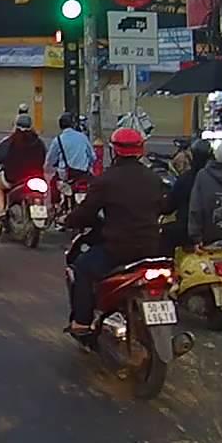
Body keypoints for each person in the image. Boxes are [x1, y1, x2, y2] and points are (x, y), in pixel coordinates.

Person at [64, 128, 166, 336]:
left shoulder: (106, 180)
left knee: (82, 267)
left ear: (114, 150)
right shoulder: (154, 179)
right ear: (141, 150)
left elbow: (86, 212)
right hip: (151, 247)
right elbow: (163, 207)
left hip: (118, 249)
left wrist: (68, 220)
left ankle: (82, 322)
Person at [0, 113, 47, 218]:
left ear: (16, 126)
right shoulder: (39, 142)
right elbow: (44, 157)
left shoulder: (11, 140)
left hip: (14, 178)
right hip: (37, 177)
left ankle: (1, 210)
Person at [162, 138, 214, 252]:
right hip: (214, 230)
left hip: (186, 230)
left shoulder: (185, 179)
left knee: (164, 235)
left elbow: (169, 207)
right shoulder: (218, 179)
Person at [45, 112, 96, 196]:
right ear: (73, 124)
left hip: (65, 175)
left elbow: (50, 160)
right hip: (83, 174)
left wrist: (48, 167)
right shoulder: (83, 137)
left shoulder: (58, 140)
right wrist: (89, 165)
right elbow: (92, 157)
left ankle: (57, 203)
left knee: (53, 184)